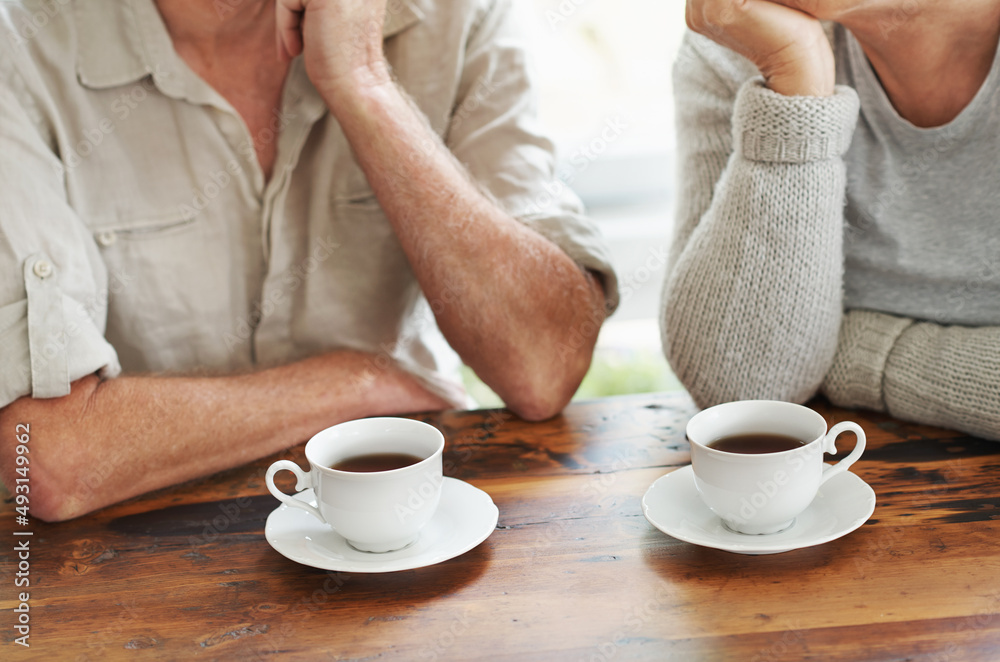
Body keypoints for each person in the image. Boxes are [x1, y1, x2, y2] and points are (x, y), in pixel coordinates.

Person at [0, 0, 619, 521]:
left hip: (401, 521)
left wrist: (363, 81)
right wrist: (362, 384)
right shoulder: (20, 45)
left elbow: (542, 369)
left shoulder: (454, 14)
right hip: (141, 553)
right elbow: (50, 458)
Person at [662, 0, 1000, 439]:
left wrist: (851, 353)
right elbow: (742, 391)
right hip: (847, 479)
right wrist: (793, 74)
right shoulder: (742, 41)